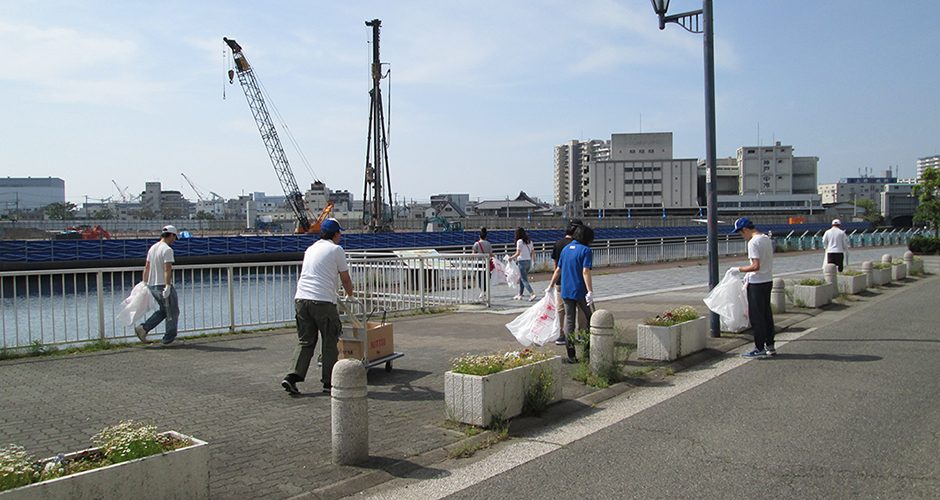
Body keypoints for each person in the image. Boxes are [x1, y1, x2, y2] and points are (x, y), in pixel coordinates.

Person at [282, 218, 355, 395]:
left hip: (301, 299)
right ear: (335, 234)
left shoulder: (310, 249)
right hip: (322, 300)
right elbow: (345, 278)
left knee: (306, 341)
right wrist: (351, 295)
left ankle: (292, 376)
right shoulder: (336, 249)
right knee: (330, 340)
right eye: (339, 233)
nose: (340, 237)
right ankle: (328, 382)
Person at [548, 224, 594, 364]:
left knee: (569, 321)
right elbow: (585, 272)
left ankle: (571, 355)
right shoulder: (586, 250)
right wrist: (590, 291)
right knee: (590, 318)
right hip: (580, 290)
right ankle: (586, 351)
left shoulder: (566, 249)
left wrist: (550, 286)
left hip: (566, 290)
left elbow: (558, 270)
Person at [730, 217, 775, 358]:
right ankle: (770, 345)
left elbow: (756, 266)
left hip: (757, 282)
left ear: (745, 229)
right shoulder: (766, 238)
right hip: (768, 280)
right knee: (767, 314)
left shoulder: (753, 242)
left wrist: (739, 269)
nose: (742, 237)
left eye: (741, 233)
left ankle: (759, 347)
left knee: (757, 316)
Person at [135, 225, 181, 346]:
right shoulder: (167, 250)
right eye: (174, 238)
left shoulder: (153, 248)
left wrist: (144, 282)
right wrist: (168, 285)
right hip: (162, 285)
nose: (174, 241)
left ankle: (144, 328)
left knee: (164, 311)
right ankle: (169, 339)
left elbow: (147, 267)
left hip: (152, 285)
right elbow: (167, 270)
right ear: (171, 235)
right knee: (172, 312)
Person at [551, 219, 583, 345]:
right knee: (580, 307)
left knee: (561, 308)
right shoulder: (580, 246)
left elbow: (555, 265)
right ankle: (580, 334)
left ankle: (560, 334)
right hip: (576, 280)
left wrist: (553, 282)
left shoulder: (558, 244)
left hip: (560, 281)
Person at [508, 227, 536, 301]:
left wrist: (511, 258)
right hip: (528, 261)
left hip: (522, 262)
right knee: (522, 278)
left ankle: (532, 293)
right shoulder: (529, 241)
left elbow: (518, 253)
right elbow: (533, 252)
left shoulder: (519, 241)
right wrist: (534, 261)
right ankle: (520, 294)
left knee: (524, 279)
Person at [472, 228, 495, 299]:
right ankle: (484, 290)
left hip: (478, 263)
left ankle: (482, 290)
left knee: (478, 277)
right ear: (486, 237)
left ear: (479, 236)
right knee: (485, 277)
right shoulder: (488, 244)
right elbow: (490, 253)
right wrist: (495, 258)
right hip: (486, 263)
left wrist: (469, 261)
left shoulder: (476, 244)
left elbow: (473, 253)